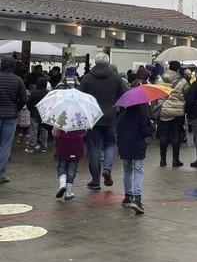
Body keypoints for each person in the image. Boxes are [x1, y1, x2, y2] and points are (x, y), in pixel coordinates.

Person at [79, 53, 127, 189]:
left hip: (92, 118)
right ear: (108, 62)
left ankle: (95, 181)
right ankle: (107, 168)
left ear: (95, 63)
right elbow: (124, 97)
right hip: (111, 117)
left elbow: (80, 97)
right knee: (111, 144)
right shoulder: (116, 78)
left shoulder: (87, 78)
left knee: (93, 148)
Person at [117, 104, 154, 214]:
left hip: (124, 147)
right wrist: (152, 126)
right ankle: (137, 199)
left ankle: (128, 196)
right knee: (138, 171)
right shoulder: (141, 116)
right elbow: (145, 133)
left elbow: (118, 131)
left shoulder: (121, 117)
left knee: (127, 171)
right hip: (138, 147)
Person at [155, 61, 190, 167]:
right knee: (176, 135)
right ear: (178, 69)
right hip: (177, 112)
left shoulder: (160, 79)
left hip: (164, 110)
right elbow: (187, 95)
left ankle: (162, 160)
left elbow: (156, 93)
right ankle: (175, 160)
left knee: (164, 135)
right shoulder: (183, 81)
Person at [0, 57, 27, 184]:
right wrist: (16, 108)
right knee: (5, 144)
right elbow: (23, 98)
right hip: (11, 115)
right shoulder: (18, 80)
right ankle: (1, 173)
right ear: (13, 66)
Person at [52, 127, 86, 201]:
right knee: (72, 169)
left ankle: (62, 184)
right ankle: (68, 192)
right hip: (77, 147)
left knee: (61, 167)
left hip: (63, 146)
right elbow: (84, 133)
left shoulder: (62, 118)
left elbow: (55, 133)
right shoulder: (81, 120)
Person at [25, 77, 49, 153]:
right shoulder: (48, 93)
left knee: (33, 130)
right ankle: (43, 147)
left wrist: (30, 109)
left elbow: (29, 104)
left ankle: (31, 146)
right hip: (44, 114)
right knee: (44, 130)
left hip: (34, 114)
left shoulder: (34, 93)